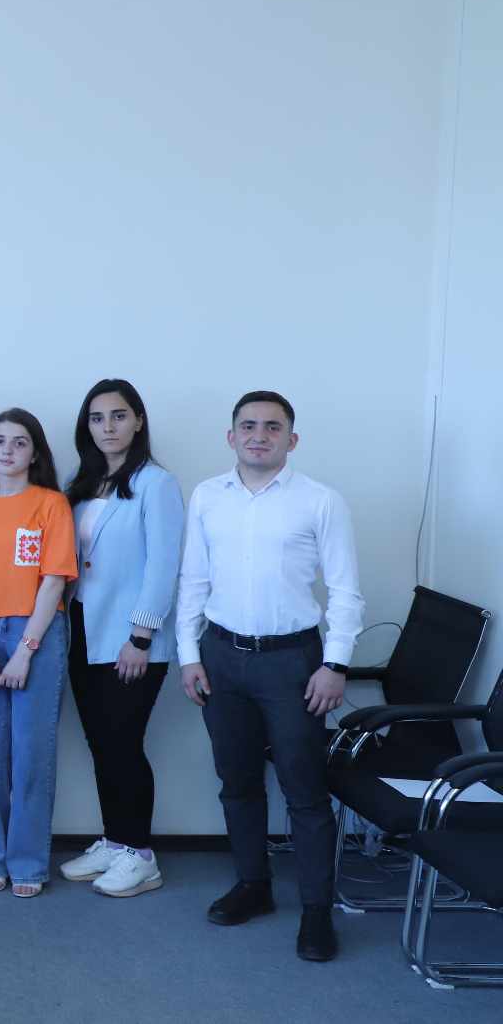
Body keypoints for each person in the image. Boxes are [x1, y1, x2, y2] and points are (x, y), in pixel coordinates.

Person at [177, 390, 360, 963]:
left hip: (293, 663)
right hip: (221, 657)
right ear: (231, 436)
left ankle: (316, 911)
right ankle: (253, 885)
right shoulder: (208, 496)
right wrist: (188, 654)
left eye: (273, 427)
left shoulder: (321, 502)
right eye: (249, 425)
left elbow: (346, 591)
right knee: (236, 780)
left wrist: (335, 664)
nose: (259, 435)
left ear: (292, 439)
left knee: (305, 790)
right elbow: (193, 580)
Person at [57, 379, 184, 898]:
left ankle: (140, 854)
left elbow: (164, 565)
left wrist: (142, 635)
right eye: (97, 418)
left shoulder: (156, 483)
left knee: (124, 743)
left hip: (132, 637)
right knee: (101, 742)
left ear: (138, 421)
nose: (108, 426)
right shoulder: (83, 483)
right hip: (84, 630)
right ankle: (115, 841)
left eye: (118, 415)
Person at [0, 407, 76, 898]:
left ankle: (27, 863)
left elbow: (54, 579)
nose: (8, 450)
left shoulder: (51, 504)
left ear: (35, 453)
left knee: (31, 755)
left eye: (19, 442)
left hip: (36, 635)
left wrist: (26, 651)